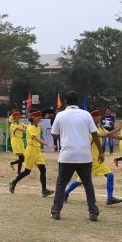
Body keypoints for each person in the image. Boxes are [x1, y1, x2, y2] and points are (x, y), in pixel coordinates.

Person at [49, 92, 101, 221]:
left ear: (66, 101)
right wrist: (101, 152)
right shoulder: (86, 114)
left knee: (61, 183)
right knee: (88, 183)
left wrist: (64, 132)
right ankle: (93, 212)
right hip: (84, 155)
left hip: (67, 155)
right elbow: (95, 135)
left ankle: (56, 211)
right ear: (77, 101)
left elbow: (54, 134)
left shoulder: (60, 115)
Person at [63, 109, 122, 207]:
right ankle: (65, 193)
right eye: (97, 116)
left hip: (98, 161)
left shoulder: (100, 128)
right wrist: (117, 129)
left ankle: (109, 198)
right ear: (92, 118)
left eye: (100, 116)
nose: (100, 117)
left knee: (110, 175)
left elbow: (113, 136)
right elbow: (103, 135)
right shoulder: (89, 130)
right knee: (80, 181)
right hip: (90, 161)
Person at [9, 111, 54, 197]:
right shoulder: (31, 127)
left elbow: (38, 138)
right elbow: (37, 138)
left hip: (37, 150)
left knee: (43, 169)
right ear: (33, 118)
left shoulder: (38, 126)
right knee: (27, 172)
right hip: (31, 151)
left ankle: (44, 190)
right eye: (38, 118)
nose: (40, 119)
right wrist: (47, 144)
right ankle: (13, 183)